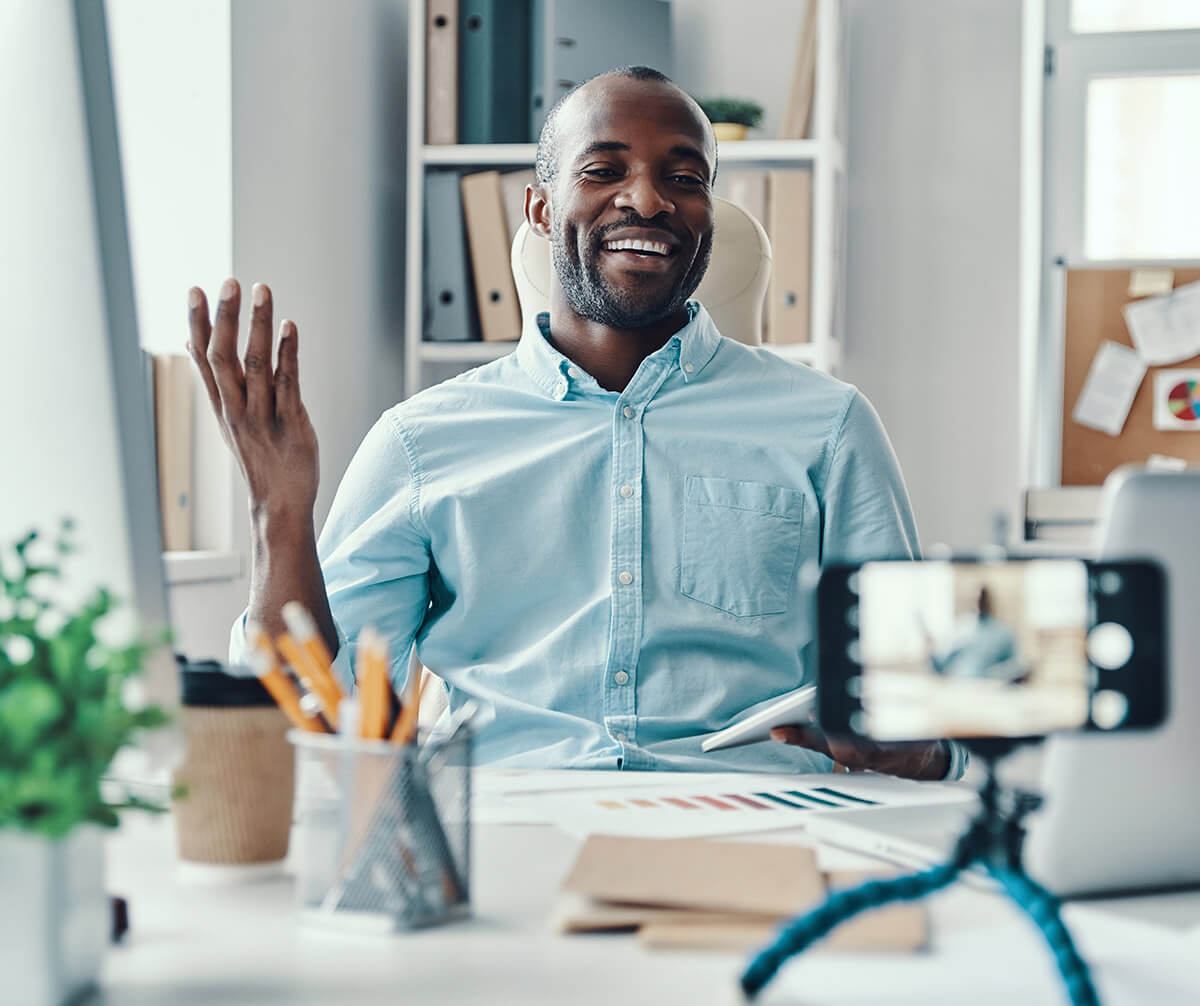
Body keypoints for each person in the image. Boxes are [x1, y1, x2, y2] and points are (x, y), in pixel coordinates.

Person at [187, 65, 958, 780]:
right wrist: (277, 512)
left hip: (756, 822)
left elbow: (927, 728)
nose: (648, 200)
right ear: (540, 208)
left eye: (684, 178)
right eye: (603, 170)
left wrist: (909, 742)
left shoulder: (829, 426)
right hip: (510, 826)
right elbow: (315, 709)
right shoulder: (420, 441)